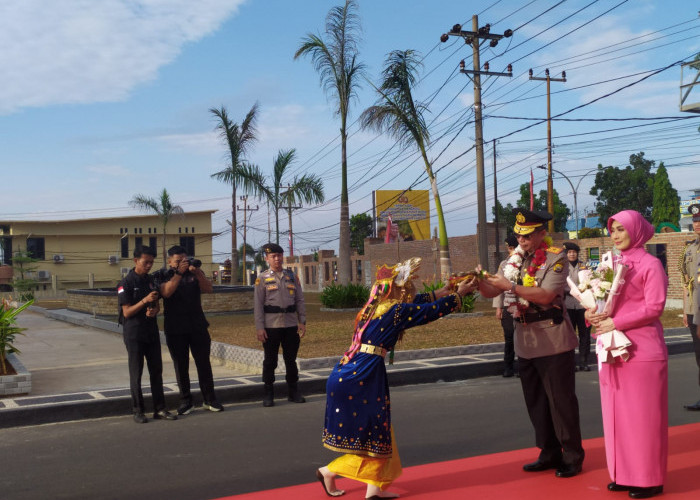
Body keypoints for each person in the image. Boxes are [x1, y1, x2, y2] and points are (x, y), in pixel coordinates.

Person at [316, 257, 477, 499]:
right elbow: (426, 312)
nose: (410, 291)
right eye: (407, 288)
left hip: (346, 371)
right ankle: (329, 470)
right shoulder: (395, 311)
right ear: (398, 290)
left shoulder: (372, 308)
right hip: (365, 374)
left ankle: (374, 490)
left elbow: (415, 305)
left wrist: (441, 292)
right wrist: (457, 296)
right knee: (376, 436)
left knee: (380, 434)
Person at [478, 208, 585, 479]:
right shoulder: (511, 262)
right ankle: (548, 452)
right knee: (536, 401)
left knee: (561, 402)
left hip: (552, 340)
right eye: (518, 235)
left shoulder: (555, 258)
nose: (521, 241)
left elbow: (547, 295)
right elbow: (493, 289)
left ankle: (572, 455)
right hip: (525, 340)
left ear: (541, 234)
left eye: (527, 236)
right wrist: (478, 282)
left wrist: (510, 287)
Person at [586, 210, 667, 499]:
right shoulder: (610, 263)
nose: (616, 235)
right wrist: (591, 314)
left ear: (637, 230)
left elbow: (654, 307)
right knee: (615, 415)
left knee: (643, 418)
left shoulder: (650, 264)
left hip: (641, 350)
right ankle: (623, 473)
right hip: (610, 348)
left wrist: (615, 322)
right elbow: (600, 302)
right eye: (613, 230)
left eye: (622, 229)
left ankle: (649, 478)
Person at [152, 245, 223, 415]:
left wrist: (197, 272)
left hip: (197, 325)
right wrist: (178, 274)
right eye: (178, 261)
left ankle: (209, 399)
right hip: (175, 328)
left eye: (184, 260)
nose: (182, 264)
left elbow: (208, 289)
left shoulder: (194, 273)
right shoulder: (162, 275)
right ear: (170, 262)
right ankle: (186, 401)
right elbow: (166, 293)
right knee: (181, 365)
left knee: (203, 363)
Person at [117, 245, 177, 424]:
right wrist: (144, 301)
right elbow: (127, 312)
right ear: (136, 261)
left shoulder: (151, 281)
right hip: (134, 333)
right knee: (136, 372)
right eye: (146, 262)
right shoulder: (125, 283)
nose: (149, 265)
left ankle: (160, 408)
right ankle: (138, 410)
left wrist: (154, 310)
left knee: (156, 371)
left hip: (150, 331)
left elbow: (156, 304)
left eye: (151, 262)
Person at [254, 243, 307, 407]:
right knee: (270, 361)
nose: (277, 259)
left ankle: (293, 391)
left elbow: (299, 300)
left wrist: (302, 321)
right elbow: (258, 305)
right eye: (273, 256)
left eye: (279, 255)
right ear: (267, 258)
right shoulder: (262, 279)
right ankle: (268, 393)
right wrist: (260, 327)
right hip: (271, 326)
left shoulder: (292, 276)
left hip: (290, 324)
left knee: (291, 360)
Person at [680, 203, 700, 411]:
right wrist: (686, 310)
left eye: (699, 220)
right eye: (694, 221)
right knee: (699, 355)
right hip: (695, 311)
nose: (697, 224)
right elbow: (687, 282)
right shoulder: (690, 248)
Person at [563, 241, 592, 371]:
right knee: (569, 335)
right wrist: (570, 291)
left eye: (574, 252)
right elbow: (558, 284)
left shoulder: (584, 266)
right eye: (569, 252)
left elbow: (590, 282)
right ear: (566, 254)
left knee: (584, 334)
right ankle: (570, 362)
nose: (572, 254)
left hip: (583, 305)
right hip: (568, 304)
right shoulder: (562, 267)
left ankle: (583, 361)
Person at [493, 233, 519, 377]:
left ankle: (523, 366)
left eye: (512, 248)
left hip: (523, 305)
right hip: (508, 305)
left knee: (523, 338)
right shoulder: (504, 264)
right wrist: (499, 307)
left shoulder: (525, 262)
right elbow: (498, 287)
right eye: (510, 249)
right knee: (509, 337)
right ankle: (508, 367)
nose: (511, 252)